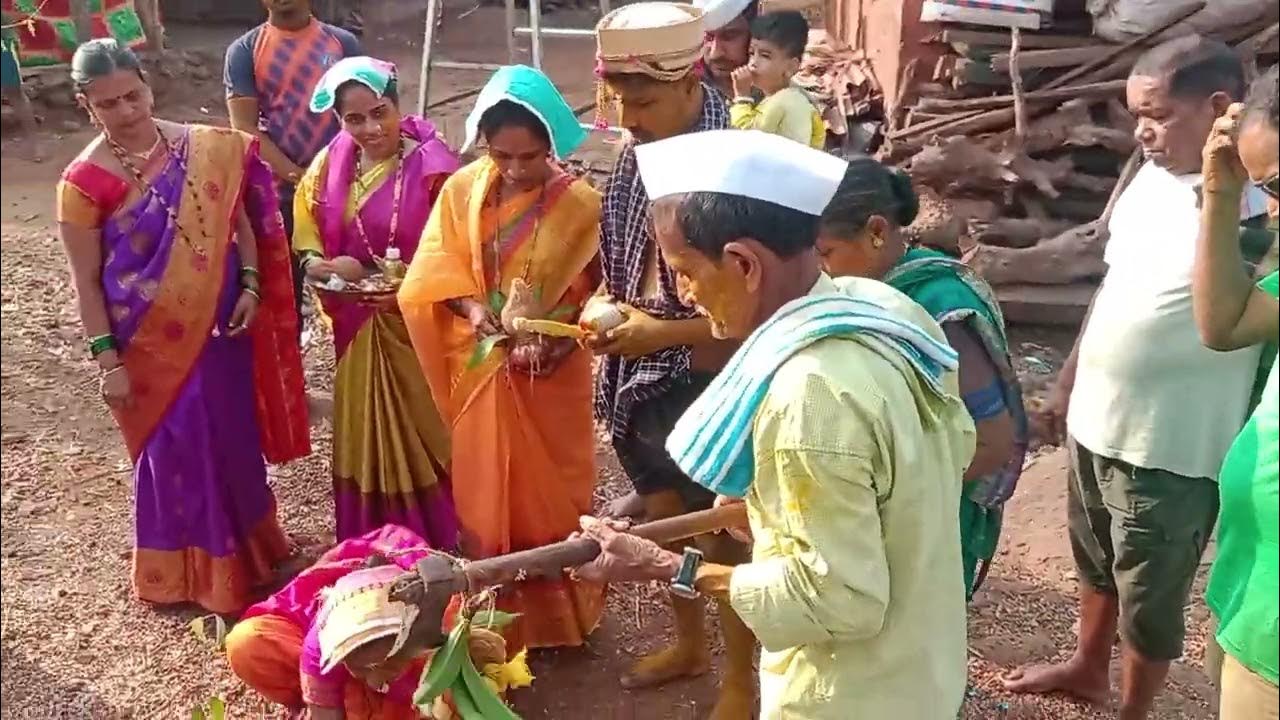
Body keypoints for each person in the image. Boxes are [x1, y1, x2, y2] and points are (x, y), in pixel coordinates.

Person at [573, 128, 975, 719]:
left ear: (742, 263)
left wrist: (667, 565)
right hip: (922, 665)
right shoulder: (881, 308)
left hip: (851, 695)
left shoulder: (810, 396)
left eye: (684, 271)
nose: (683, 295)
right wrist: (768, 509)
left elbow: (839, 601)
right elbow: (939, 456)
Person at [1003, 37, 1270, 719]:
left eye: (1158, 115)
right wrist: (1068, 379)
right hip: (1102, 415)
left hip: (1173, 445)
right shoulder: (1151, 179)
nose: (1142, 133)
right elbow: (1114, 284)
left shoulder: (1248, 211)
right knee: (1096, 558)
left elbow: (1237, 315)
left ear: (1217, 109)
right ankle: (1088, 667)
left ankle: (1134, 710)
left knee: (1150, 593)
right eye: (1134, 116)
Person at [55, 39, 310, 614]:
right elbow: (87, 282)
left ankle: (259, 554)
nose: (127, 112)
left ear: (147, 84)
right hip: (148, 346)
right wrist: (108, 363)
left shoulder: (206, 147)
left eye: (133, 95)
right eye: (108, 104)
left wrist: (249, 285)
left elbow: (240, 220)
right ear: (85, 106)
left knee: (233, 438)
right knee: (176, 452)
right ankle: (188, 577)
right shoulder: (82, 183)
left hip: (222, 328)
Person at [397, 65, 606, 651]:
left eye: (529, 157)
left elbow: (600, 294)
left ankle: (559, 620)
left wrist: (558, 341)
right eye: (501, 155)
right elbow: (436, 271)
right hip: (481, 366)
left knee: (554, 496)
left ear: (553, 145)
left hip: (551, 375)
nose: (514, 170)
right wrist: (470, 311)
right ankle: (493, 616)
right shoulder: (464, 191)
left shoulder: (582, 206)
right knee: (485, 495)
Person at [591, 5, 756, 716]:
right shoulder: (639, 150)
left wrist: (654, 335)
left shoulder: (735, 168)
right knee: (663, 520)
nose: (628, 115)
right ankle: (688, 643)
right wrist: (607, 311)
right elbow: (628, 261)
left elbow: (749, 309)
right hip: (644, 379)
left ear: (692, 79)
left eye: (645, 99)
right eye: (621, 98)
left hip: (712, 377)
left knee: (727, 536)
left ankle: (741, 682)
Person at [817, 156, 1025, 600]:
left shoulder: (939, 305)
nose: (819, 270)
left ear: (876, 232)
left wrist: (896, 502)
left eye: (826, 254)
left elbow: (992, 439)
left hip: (927, 512)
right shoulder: (865, 293)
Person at [292, 57, 461, 545]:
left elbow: (456, 250)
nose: (369, 128)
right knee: (366, 427)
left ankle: (437, 532)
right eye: (354, 119)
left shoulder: (435, 170)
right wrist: (314, 264)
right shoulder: (331, 162)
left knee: (424, 426)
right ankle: (372, 536)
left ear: (398, 106)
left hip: (415, 327)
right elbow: (306, 221)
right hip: (355, 325)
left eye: (379, 113)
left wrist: (385, 278)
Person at [225, 525, 533, 719]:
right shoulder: (321, 644)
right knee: (247, 645)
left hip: (418, 647)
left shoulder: (442, 619)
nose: (375, 679)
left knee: (455, 699)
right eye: (361, 667)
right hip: (325, 653)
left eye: (385, 665)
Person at [1192, 67, 1279, 720]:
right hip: (1253, 585)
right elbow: (1223, 322)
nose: (1271, 212)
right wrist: (1221, 192)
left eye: (1276, 187)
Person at [225, 0, 362, 336]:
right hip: (279, 197)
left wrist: (335, 176)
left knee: (356, 291)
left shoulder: (343, 44)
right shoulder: (244, 52)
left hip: (345, 190)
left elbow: (361, 111)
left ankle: (359, 383)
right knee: (282, 303)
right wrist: (300, 177)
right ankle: (287, 387)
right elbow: (245, 129)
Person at [729, 10, 824, 148]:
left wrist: (742, 98)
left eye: (765, 55)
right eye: (751, 53)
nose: (753, 62)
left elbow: (748, 140)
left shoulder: (782, 102)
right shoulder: (797, 98)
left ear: (791, 67)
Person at [693, 0, 756, 98]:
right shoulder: (688, 93)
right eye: (708, 38)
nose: (715, 53)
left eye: (729, 36)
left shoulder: (780, 92)